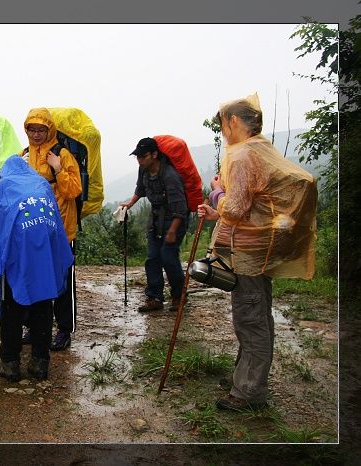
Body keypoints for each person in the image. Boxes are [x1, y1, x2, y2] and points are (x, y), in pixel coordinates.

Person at [197, 93, 317, 412]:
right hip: (263, 249)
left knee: (250, 320)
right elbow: (255, 202)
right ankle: (246, 377)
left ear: (234, 122)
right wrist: (216, 212)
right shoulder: (262, 148)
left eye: (223, 123)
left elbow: (236, 208)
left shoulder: (242, 155)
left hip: (249, 253)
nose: (223, 130)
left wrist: (217, 191)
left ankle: (249, 392)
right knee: (259, 314)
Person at [0, 155, 75, 381]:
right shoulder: (42, 183)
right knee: (43, 303)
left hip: (18, 249)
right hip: (44, 248)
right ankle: (40, 363)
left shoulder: (5, 184)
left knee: (12, 305)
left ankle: (10, 362)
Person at [22, 108, 82, 351]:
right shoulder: (24, 154)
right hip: (34, 228)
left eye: (41, 130)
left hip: (61, 228)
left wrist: (58, 169)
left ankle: (64, 329)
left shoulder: (62, 153)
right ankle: (32, 326)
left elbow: (74, 190)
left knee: (63, 281)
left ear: (50, 130)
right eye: (32, 129)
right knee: (33, 277)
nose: (36, 134)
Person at [120, 137, 189, 312]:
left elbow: (180, 208)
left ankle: (178, 296)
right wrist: (129, 204)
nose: (139, 160)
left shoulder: (170, 176)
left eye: (143, 156)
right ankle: (154, 298)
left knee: (168, 256)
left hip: (175, 219)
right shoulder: (143, 171)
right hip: (156, 217)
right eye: (138, 156)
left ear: (154, 154)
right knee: (152, 257)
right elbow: (140, 190)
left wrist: (173, 231)